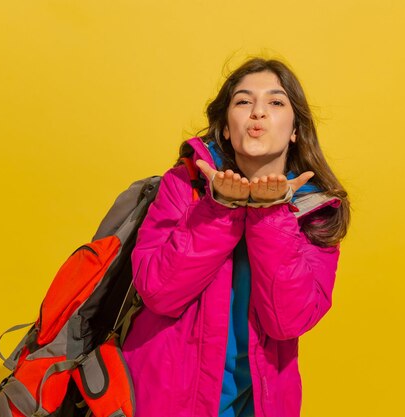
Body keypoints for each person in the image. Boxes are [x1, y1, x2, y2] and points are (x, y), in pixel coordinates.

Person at [121, 57, 351, 417]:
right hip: (160, 402)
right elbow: (159, 292)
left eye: (275, 102)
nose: (258, 112)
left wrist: (271, 212)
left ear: (295, 129)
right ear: (226, 128)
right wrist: (221, 207)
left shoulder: (317, 209)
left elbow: (288, 320)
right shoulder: (184, 184)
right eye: (244, 101)